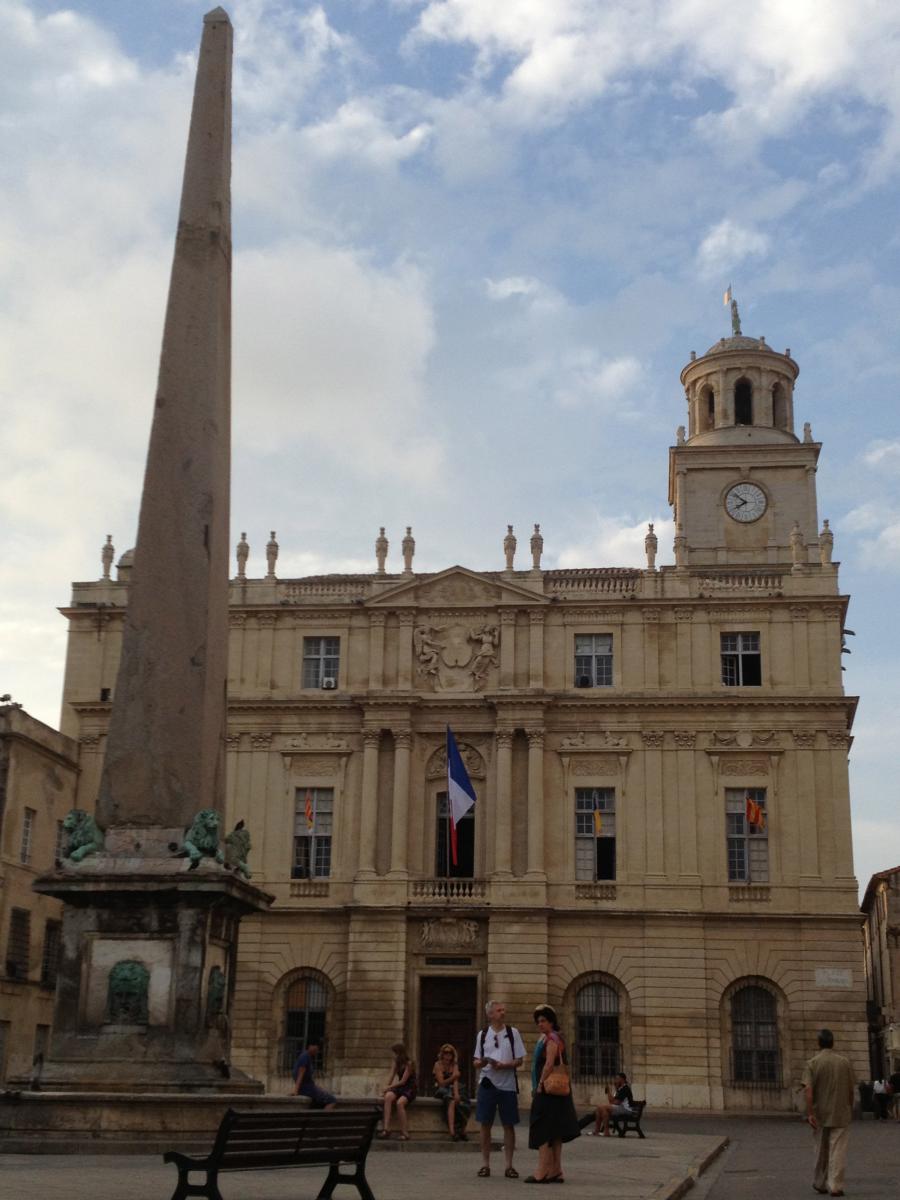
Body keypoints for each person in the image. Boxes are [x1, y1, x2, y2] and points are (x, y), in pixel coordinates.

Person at [526, 1004, 581, 1183]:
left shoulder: (551, 1039)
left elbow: (549, 1064)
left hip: (549, 1090)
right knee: (556, 1131)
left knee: (542, 1129)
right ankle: (556, 1170)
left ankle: (541, 1171)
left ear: (551, 1021)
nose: (540, 1024)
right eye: (538, 1021)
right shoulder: (559, 1037)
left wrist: (540, 1084)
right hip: (560, 1093)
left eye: (543, 1021)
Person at [473, 999, 526, 1179]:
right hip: (487, 1082)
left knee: (508, 1125)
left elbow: (520, 1060)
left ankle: (509, 1165)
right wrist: (483, 1062)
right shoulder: (482, 1034)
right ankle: (485, 1164)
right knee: (485, 1124)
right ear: (490, 1014)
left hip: (507, 1084)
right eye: (499, 1010)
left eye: (503, 1010)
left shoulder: (513, 1033)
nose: (502, 1013)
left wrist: (504, 1065)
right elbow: (475, 1061)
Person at [803, 1028, 856, 1197]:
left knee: (820, 1150)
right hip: (841, 1113)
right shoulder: (844, 1062)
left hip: (820, 1113)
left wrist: (810, 1113)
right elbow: (851, 1090)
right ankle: (835, 1185)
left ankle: (819, 1182)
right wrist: (849, 1106)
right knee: (837, 1150)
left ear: (819, 1043)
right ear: (833, 1043)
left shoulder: (812, 1063)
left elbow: (808, 1091)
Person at [380, 1042, 417, 1140]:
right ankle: (386, 1129)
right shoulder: (396, 1062)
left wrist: (388, 1087)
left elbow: (403, 1081)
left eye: (394, 1053)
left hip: (410, 1087)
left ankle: (405, 1133)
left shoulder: (409, 1063)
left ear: (399, 1053)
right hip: (400, 1087)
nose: (393, 1055)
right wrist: (386, 1088)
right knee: (388, 1097)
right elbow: (391, 1075)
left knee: (400, 1103)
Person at [433, 1042, 470, 1140]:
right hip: (441, 1089)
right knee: (451, 1100)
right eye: (445, 1053)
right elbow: (441, 1083)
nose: (448, 1055)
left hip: (453, 1088)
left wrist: (457, 1094)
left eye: (450, 1053)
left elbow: (456, 1082)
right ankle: (452, 1131)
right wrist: (453, 1077)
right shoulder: (438, 1065)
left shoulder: (454, 1065)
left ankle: (462, 1129)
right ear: (442, 1054)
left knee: (463, 1101)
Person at [292, 1040, 336, 1109]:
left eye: (317, 1049)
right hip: (306, 1088)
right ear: (310, 1046)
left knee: (319, 1100)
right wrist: (295, 1091)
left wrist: (317, 1087)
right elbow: (300, 1075)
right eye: (315, 1049)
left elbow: (307, 1078)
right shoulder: (305, 1057)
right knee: (332, 1100)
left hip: (308, 1087)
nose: (316, 1051)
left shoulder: (307, 1056)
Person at [588, 1071, 634, 1135]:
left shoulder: (625, 1088)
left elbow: (616, 1102)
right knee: (599, 1108)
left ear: (622, 1079)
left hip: (626, 1109)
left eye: (617, 1079)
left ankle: (606, 1132)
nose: (616, 1081)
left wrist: (611, 1098)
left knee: (602, 1107)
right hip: (619, 1107)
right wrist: (608, 1092)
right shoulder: (619, 1089)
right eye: (616, 1079)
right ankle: (597, 1131)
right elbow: (611, 1101)